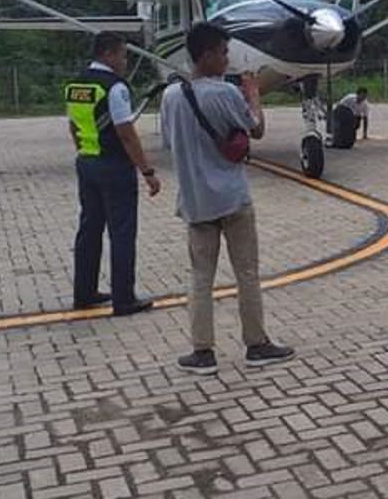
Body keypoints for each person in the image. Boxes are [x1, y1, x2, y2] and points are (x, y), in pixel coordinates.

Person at [160, 23, 294, 374]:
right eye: (222, 52)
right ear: (206, 55)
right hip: (233, 200)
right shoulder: (226, 94)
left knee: (200, 277)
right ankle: (256, 344)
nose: (227, 59)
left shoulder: (170, 97)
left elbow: (169, 143)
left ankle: (202, 351)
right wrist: (253, 92)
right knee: (246, 272)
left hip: (194, 201)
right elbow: (257, 129)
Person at [65, 31, 159, 316]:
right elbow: (126, 133)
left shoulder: (76, 84)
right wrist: (147, 171)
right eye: (122, 55)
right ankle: (124, 299)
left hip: (87, 162)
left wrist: (86, 152)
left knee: (89, 229)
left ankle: (85, 292)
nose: (125, 61)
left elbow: (74, 126)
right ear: (108, 54)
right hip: (114, 166)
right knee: (121, 232)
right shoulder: (115, 88)